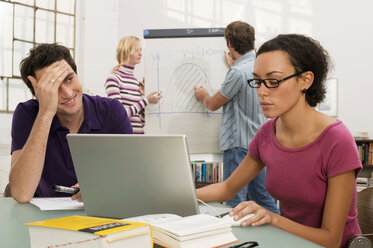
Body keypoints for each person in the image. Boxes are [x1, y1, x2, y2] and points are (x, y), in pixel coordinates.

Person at [197, 34, 362, 248]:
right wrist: (173, 196)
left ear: (305, 80)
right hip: (288, 241)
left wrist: (273, 218)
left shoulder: (337, 140)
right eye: (257, 81)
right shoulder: (267, 134)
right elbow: (228, 188)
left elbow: (331, 239)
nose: (262, 91)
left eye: (273, 81)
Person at [9, 43, 133, 203]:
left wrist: (102, 187)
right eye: (53, 87)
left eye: (69, 79)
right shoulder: (28, 113)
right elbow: (21, 193)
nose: (67, 93)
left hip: (103, 208)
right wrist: (45, 113)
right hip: (43, 218)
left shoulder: (111, 110)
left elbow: (132, 176)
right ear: (36, 93)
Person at [194, 21, 279, 214]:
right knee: (262, 198)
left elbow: (213, 104)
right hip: (258, 144)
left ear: (230, 43)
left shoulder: (237, 73)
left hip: (238, 145)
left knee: (235, 202)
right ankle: (285, 234)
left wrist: (203, 96)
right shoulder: (259, 66)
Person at [105, 36, 162, 134]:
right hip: (124, 140)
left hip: (138, 139)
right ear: (126, 52)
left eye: (141, 50)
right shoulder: (113, 79)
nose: (140, 53)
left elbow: (142, 121)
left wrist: (144, 95)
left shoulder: (137, 83)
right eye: (136, 50)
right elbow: (119, 116)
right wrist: (146, 100)